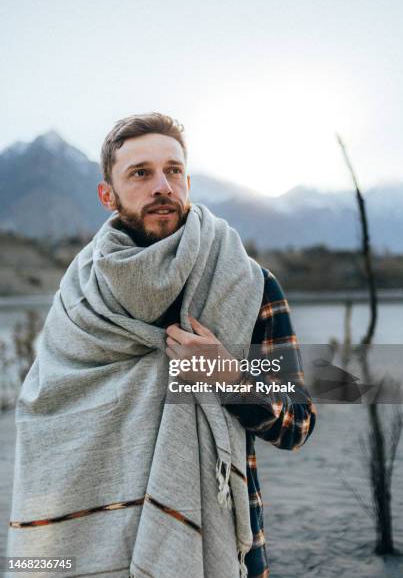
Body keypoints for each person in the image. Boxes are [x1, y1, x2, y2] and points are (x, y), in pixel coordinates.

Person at [7, 113, 316, 578]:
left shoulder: (247, 285)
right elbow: (43, 416)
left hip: (220, 545)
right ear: (106, 194)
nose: (161, 186)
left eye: (173, 171)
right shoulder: (78, 301)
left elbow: (298, 424)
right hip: (90, 545)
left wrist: (229, 375)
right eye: (140, 173)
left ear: (187, 182)